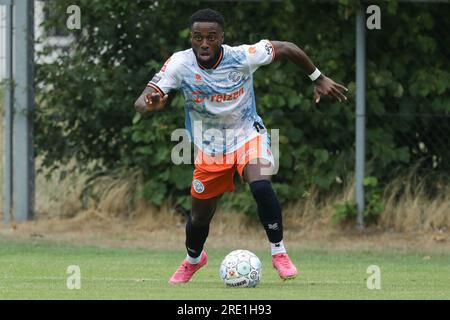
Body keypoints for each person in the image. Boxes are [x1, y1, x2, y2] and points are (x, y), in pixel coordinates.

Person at [134, 8, 348, 284]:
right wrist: (150, 104)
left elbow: (286, 48)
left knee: (260, 184)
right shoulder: (179, 64)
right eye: (198, 37)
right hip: (210, 150)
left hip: (248, 136)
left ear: (222, 37)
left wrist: (318, 78)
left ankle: (279, 252)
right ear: (191, 38)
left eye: (211, 37)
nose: (204, 43)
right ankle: (194, 260)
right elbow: (142, 100)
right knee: (199, 218)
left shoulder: (242, 56)